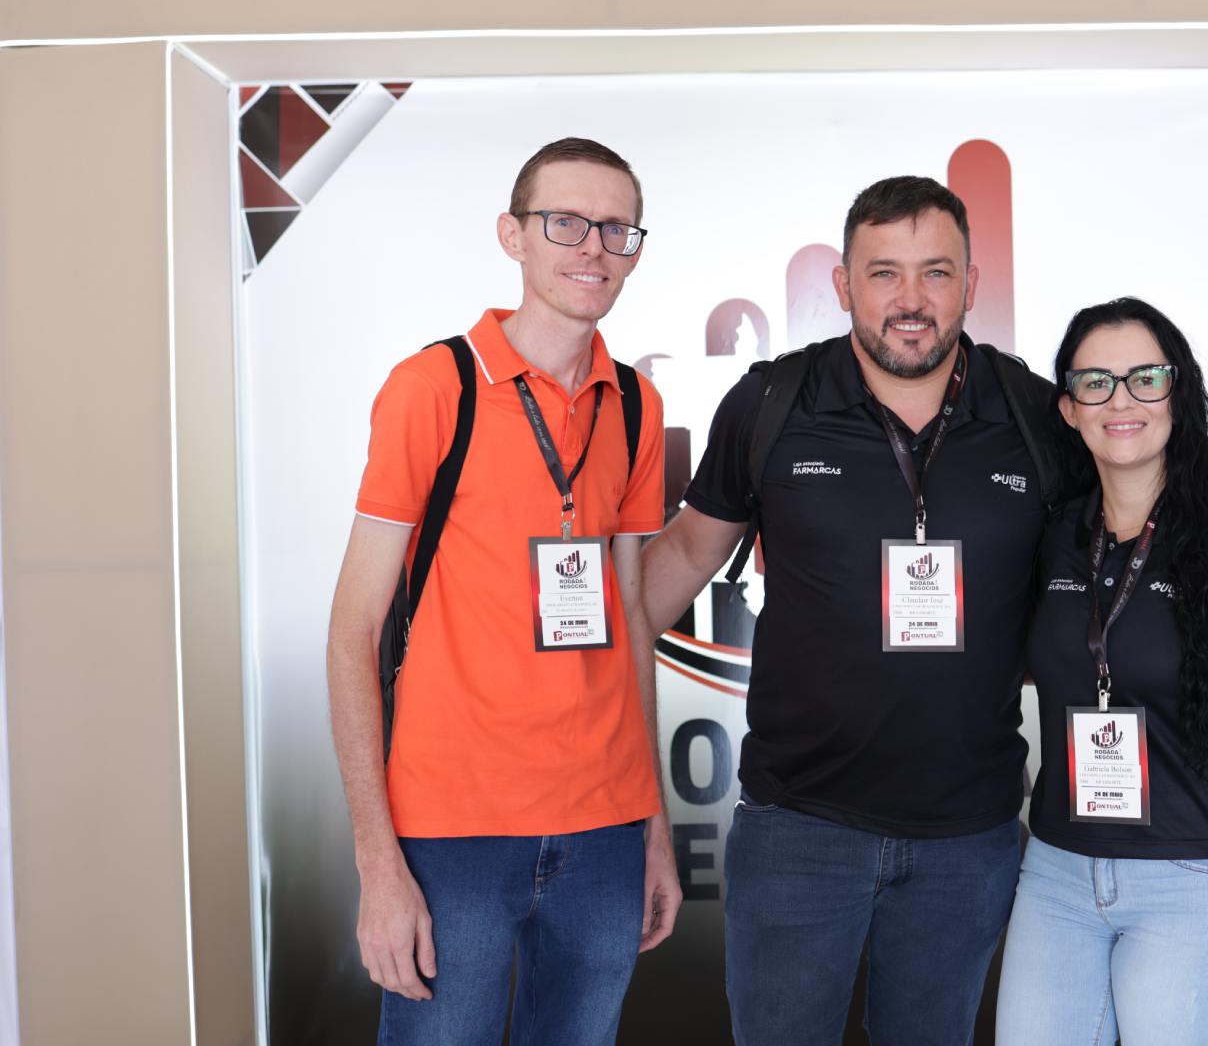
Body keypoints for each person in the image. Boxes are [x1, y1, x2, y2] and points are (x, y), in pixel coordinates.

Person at [641, 176, 1056, 1045]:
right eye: (884, 273)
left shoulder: (1032, 417)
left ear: (972, 285)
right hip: (799, 831)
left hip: (967, 837)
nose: (912, 300)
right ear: (842, 285)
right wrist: (558, 662)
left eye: (936, 272)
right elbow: (680, 558)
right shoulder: (771, 404)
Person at [326, 137, 681, 1045]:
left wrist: (653, 824)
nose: (593, 247)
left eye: (616, 229)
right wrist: (377, 862)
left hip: (605, 829)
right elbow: (353, 630)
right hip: (451, 830)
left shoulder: (636, 404)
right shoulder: (432, 388)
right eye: (565, 222)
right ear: (512, 236)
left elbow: (631, 622)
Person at [994, 297, 1208, 1046]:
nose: (1121, 401)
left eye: (1145, 378)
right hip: (1056, 877)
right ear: (1069, 409)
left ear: (1178, 392)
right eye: (1095, 383)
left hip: (1196, 882)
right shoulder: (1048, 541)